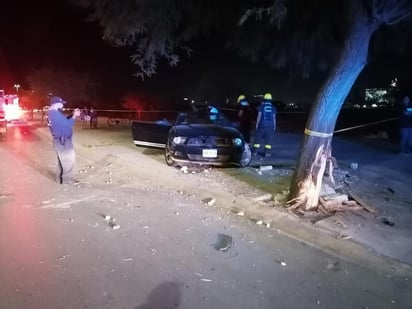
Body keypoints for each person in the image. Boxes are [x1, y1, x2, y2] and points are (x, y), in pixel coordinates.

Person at [47, 96, 81, 184]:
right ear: (55, 104)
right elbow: (67, 125)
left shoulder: (53, 113)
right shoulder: (54, 114)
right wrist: (74, 116)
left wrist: (72, 114)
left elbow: (64, 121)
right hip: (63, 141)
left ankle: (59, 178)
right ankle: (67, 180)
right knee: (69, 160)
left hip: (60, 140)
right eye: (61, 103)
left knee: (62, 160)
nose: (62, 105)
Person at [253, 92, 276, 157]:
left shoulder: (261, 107)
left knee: (257, 139)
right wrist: (274, 126)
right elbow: (274, 118)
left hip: (262, 125)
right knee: (269, 141)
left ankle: (255, 152)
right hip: (270, 126)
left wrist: (257, 124)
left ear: (264, 99)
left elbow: (259, 116)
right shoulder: (273, 107)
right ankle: (267, 153)